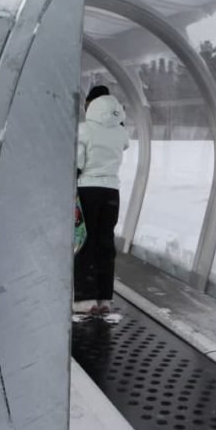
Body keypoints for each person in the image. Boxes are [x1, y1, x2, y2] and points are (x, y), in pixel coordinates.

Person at [74, 85, 129, 316]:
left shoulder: (85, 130)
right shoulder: (120, 131)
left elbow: (77, 162)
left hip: (88, 190)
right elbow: (124, 145)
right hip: (111, 192)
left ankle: (85, 300)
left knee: (84, 242)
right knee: (105, 244)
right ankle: (104, 298)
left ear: (91, 104)